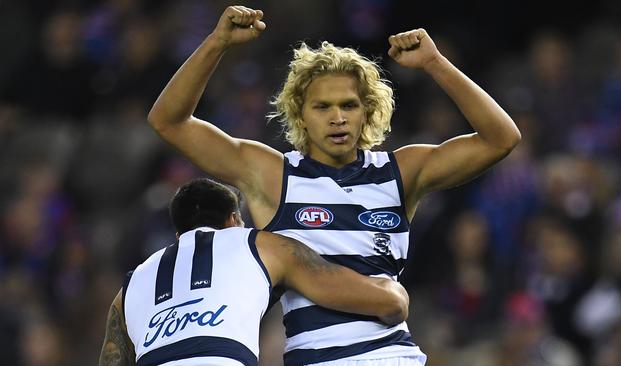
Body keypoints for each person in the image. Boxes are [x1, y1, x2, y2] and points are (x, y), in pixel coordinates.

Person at [147, 5, 521, 365]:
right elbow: (169, 121)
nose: (338, 118)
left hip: (391, 356)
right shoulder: (274, 175)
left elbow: (501, 138)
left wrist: (435, 64)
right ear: (300, 115)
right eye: (322, 107)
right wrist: (216, 43)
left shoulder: (401, 172)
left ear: (368, 110)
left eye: (349, 105)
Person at [98, 178, 409, 365]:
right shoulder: (259, 244)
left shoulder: (132, 284)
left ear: (178, 235)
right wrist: (393, 291)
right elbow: (385, 303)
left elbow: (113, 357)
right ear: (234, 219)